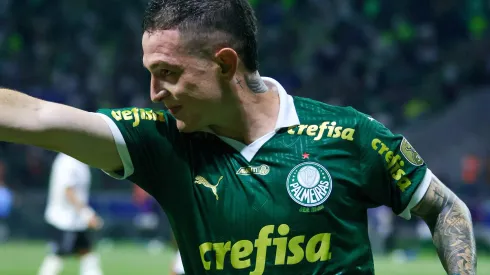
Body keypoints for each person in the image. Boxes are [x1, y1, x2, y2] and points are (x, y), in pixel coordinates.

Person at [0, 0, 476, 274]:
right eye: (150, 72)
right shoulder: (163, 143)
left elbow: (446, 208)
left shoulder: (347, 135)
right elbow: (38, 116)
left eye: (167, 73)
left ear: (225, 64)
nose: (154, 93)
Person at [38, 153, 104, 275]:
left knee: (87, 253)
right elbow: (68, 191)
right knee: (58, 255)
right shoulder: (67, 162)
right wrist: (87, 214)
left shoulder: (80, 160)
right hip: (63, 219)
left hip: (77, 220)